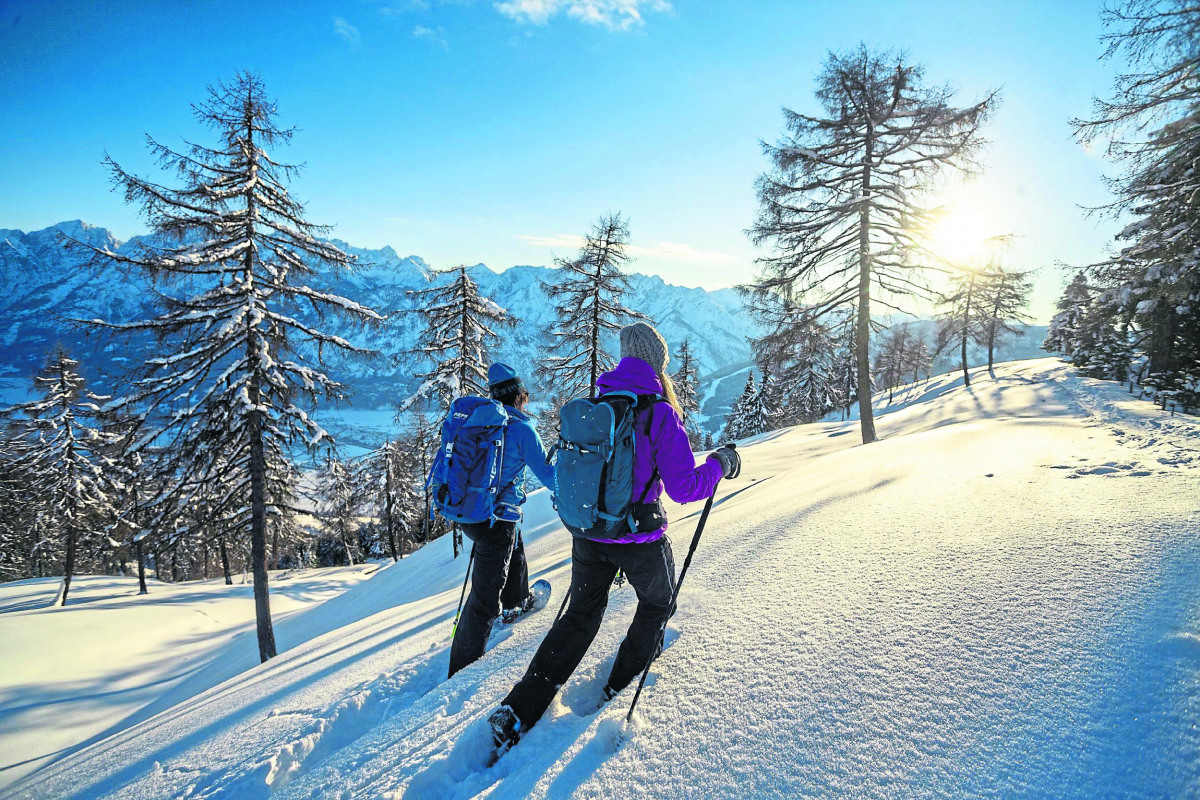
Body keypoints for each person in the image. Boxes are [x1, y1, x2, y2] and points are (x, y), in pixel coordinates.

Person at [487, 322, 742, 753]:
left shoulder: (598, 400)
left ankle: (518, 710)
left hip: (589, 535)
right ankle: (619, 688)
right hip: (640, 541)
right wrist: (721, 463)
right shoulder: (659, 412)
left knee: (581, 615)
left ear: (624, 357)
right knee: (658, 603)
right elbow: (685, 489)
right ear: (658, 363)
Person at [447, 363, 557, 679]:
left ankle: (516, 602)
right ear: (520, 396)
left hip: (470, 515)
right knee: (483, 601)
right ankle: (459, 673)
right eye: (526, 394)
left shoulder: (483, 424)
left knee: (514, 545)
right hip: (494, 523)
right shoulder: (522, 430)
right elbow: (550, 479)